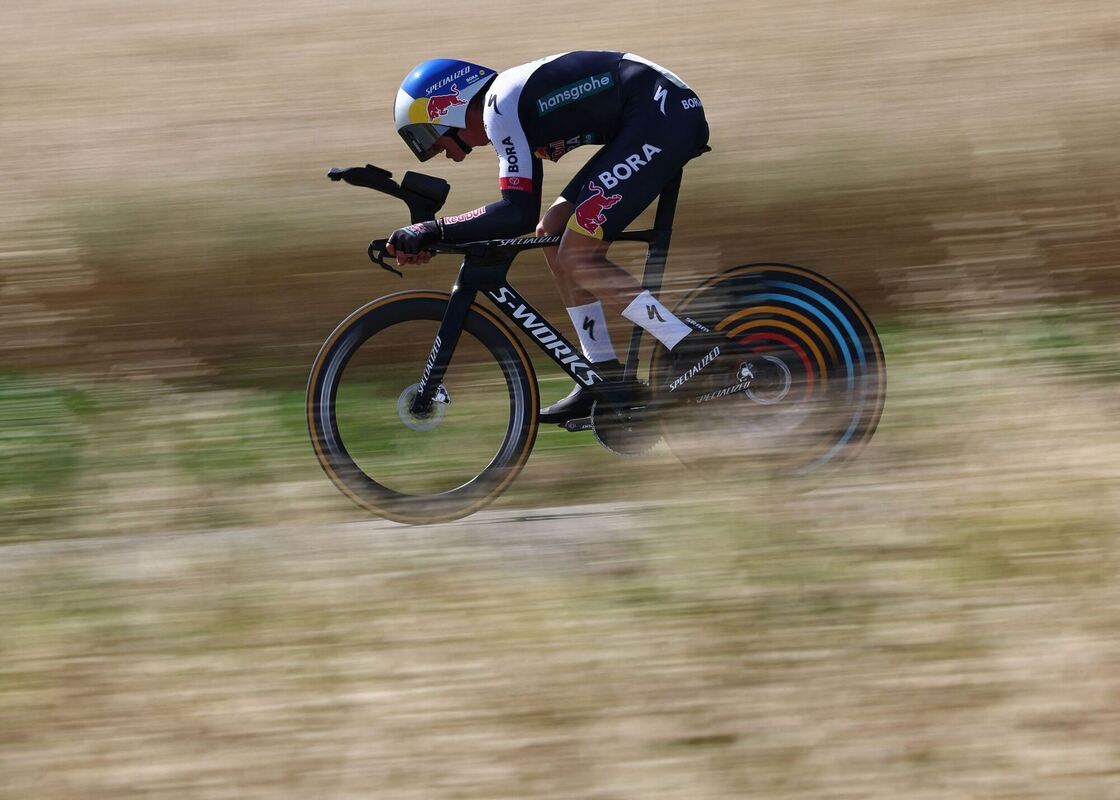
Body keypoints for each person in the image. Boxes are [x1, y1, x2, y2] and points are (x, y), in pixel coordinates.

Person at [387, 52, 719, 423]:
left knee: (577, 256)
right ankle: (601, 375)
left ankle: (689, 344)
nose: (437, 153)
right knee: (552, 232)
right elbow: (526, 215)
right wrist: (435, 233)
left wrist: (433, 230)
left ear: (449, 105)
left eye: (427, 137)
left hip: (663, 114)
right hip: (651, 115)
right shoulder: (507, 105)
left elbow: (516, 213)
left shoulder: (499, 106)